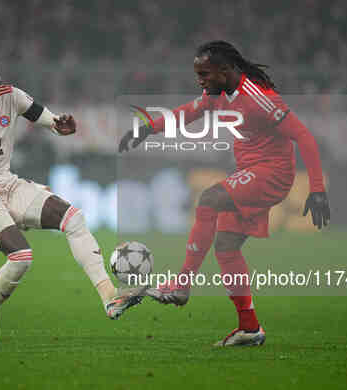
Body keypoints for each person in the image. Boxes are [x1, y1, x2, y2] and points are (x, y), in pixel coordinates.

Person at [119, 41, 330, 347]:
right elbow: (186, 113)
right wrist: (147, 129)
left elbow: (304, 137)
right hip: (251, 173)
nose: (200, 80)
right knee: (226, 248)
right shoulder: (215, 96)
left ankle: (181, 285)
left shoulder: (259, 98)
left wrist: (318, 190)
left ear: (225, 70)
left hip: (272, 173)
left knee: (208, 199)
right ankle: (250, 328)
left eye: (204, 74)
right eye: (198, 74)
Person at [0, 58, 144, 342]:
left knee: (74, 219)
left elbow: (44, 116)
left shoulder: (9, 96)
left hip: (7, 183)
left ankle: (109, 296)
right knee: (21, 258)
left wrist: (58, 126)